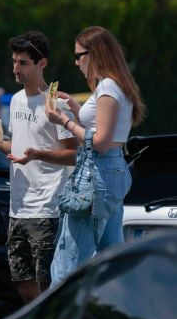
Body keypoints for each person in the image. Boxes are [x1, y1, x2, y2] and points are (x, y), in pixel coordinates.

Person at [45, 26, 145, 283]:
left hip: (97, 172)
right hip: (110, 170)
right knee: (111, 263)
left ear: (95, 53)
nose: (76, 62)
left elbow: (100, 142)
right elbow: (102, 133)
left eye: (79, 55)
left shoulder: (108, 88)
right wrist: (76, 108)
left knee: (67, 266)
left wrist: (64, 121)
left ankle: (60, 310)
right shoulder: (115, 85)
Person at [0, 31, 77, 304]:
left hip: (47, 208)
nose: (16, 68)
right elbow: (18, 147)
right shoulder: (15, 100)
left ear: (42, 64)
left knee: (49, 284)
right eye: (14, 61)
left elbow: (74, 154)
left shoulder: (56, 103)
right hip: (17, 206)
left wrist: (38, 155)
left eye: (23, 63)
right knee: (23, 284)